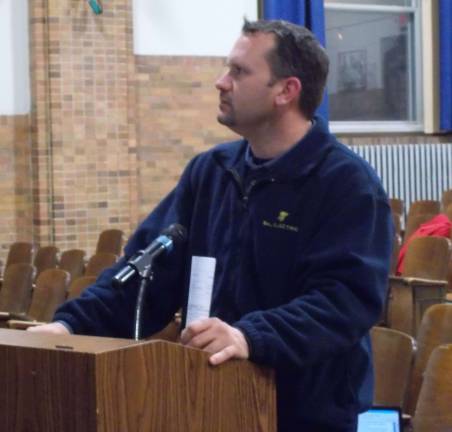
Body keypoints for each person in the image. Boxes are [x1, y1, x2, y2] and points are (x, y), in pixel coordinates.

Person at [30, 19, 394, 432]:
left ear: (286, 91)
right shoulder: (211, 172)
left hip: (305, 412)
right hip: (211, 396)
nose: (221, 82)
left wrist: (249, 337)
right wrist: (69, 326)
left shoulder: (345, 183)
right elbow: (146, 272)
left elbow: (344, 301)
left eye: (239, 72)